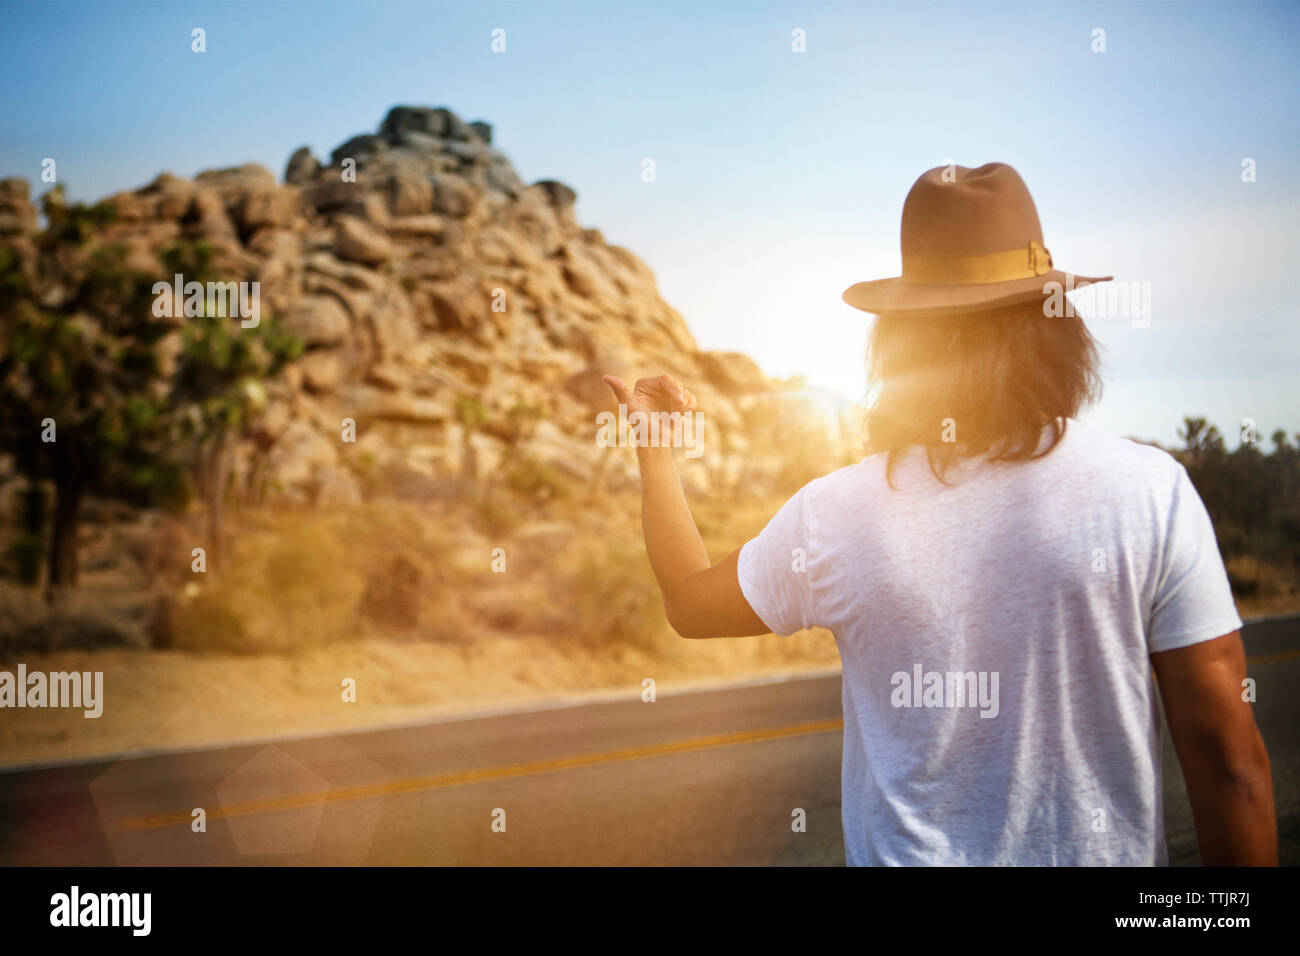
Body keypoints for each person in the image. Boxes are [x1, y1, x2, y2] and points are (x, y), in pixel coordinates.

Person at [602, 162, 1276, 866]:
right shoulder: (1150, 492)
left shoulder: (836, 514)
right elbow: (1228, 765)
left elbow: (688, 602)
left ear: (901, 341)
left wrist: (656, 450)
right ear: (1056, 325)